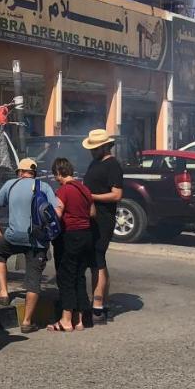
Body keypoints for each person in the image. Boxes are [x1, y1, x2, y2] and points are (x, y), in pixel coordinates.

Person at [0, 157, 62, 333]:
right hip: (37, 241)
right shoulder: (43, 187)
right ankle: (27, 322)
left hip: (13, 237)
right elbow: (58, 211)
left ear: (20, 172)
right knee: (33, 280)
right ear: (34, 173)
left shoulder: (10, 185)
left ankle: (3, 293)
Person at [48, 158, 95, 332]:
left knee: (66, 276)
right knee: (79, 276)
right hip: (87, 236)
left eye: (56, 176)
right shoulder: (84, 189)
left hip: (71, 236)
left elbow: (57, 214)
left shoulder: (64, 190)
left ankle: (66, 320)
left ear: (59, 173)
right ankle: (80, 320)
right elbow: (92, 212)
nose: (56, 179)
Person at [82, 128, 123, 322]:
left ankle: (98, 307)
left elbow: (116, 194)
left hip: (104, 218)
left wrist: (92, 197)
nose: (92, 151)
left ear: (105, 147)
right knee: (94, 260)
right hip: (90, 216)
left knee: (97, 258)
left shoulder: (113, 165)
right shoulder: (94, 163)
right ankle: (100, 301)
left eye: (95, 148)